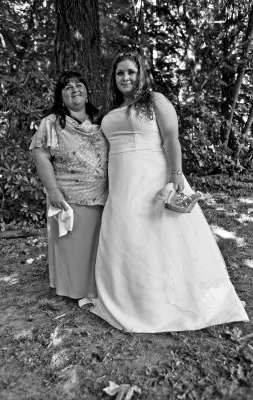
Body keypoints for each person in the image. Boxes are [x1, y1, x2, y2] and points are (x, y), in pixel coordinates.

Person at [89, 52, 248, 332]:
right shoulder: (110, 111)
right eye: (120, 73)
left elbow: (170, 139)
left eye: (131, 72)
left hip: (152, 178)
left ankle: (161, 302)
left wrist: (175, 174)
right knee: (126, 237)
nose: (126, 77)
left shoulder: (155, 100)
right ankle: (129, 297)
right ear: (113, 79)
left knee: (156, 236)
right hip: (121, 183)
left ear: (140, 74)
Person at [30, 70, 108, 301]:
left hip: (102, 196)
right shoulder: (51, 123)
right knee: (73, 247)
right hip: (67, 197)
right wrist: (53, 190)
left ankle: (98, 289)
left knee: (96, 246)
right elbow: (41, 155)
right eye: (67, 87)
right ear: (60, 96)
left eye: (79, 84)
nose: (74, 89)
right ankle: (74, 290)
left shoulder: (102, 120)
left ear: (87, 90)